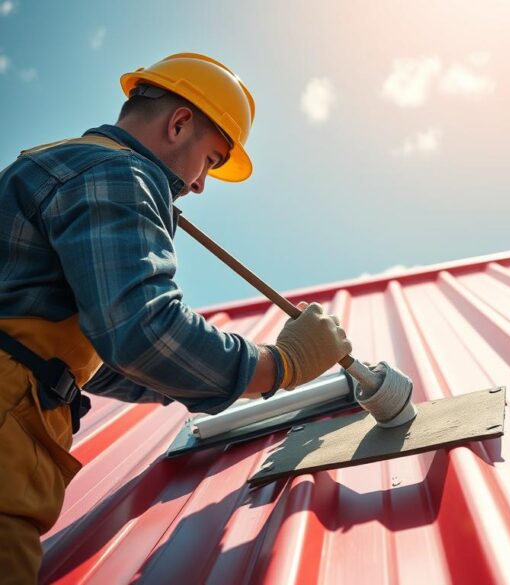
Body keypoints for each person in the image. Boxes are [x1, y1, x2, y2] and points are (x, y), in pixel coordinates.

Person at [0, 53, 351, 582]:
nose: (200, 185)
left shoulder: (54, 163)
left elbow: (105, 356)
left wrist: (182, 380)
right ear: (179, 122)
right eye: (210, 161)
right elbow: (142, 332)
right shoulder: (118, 170)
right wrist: (283, 364)